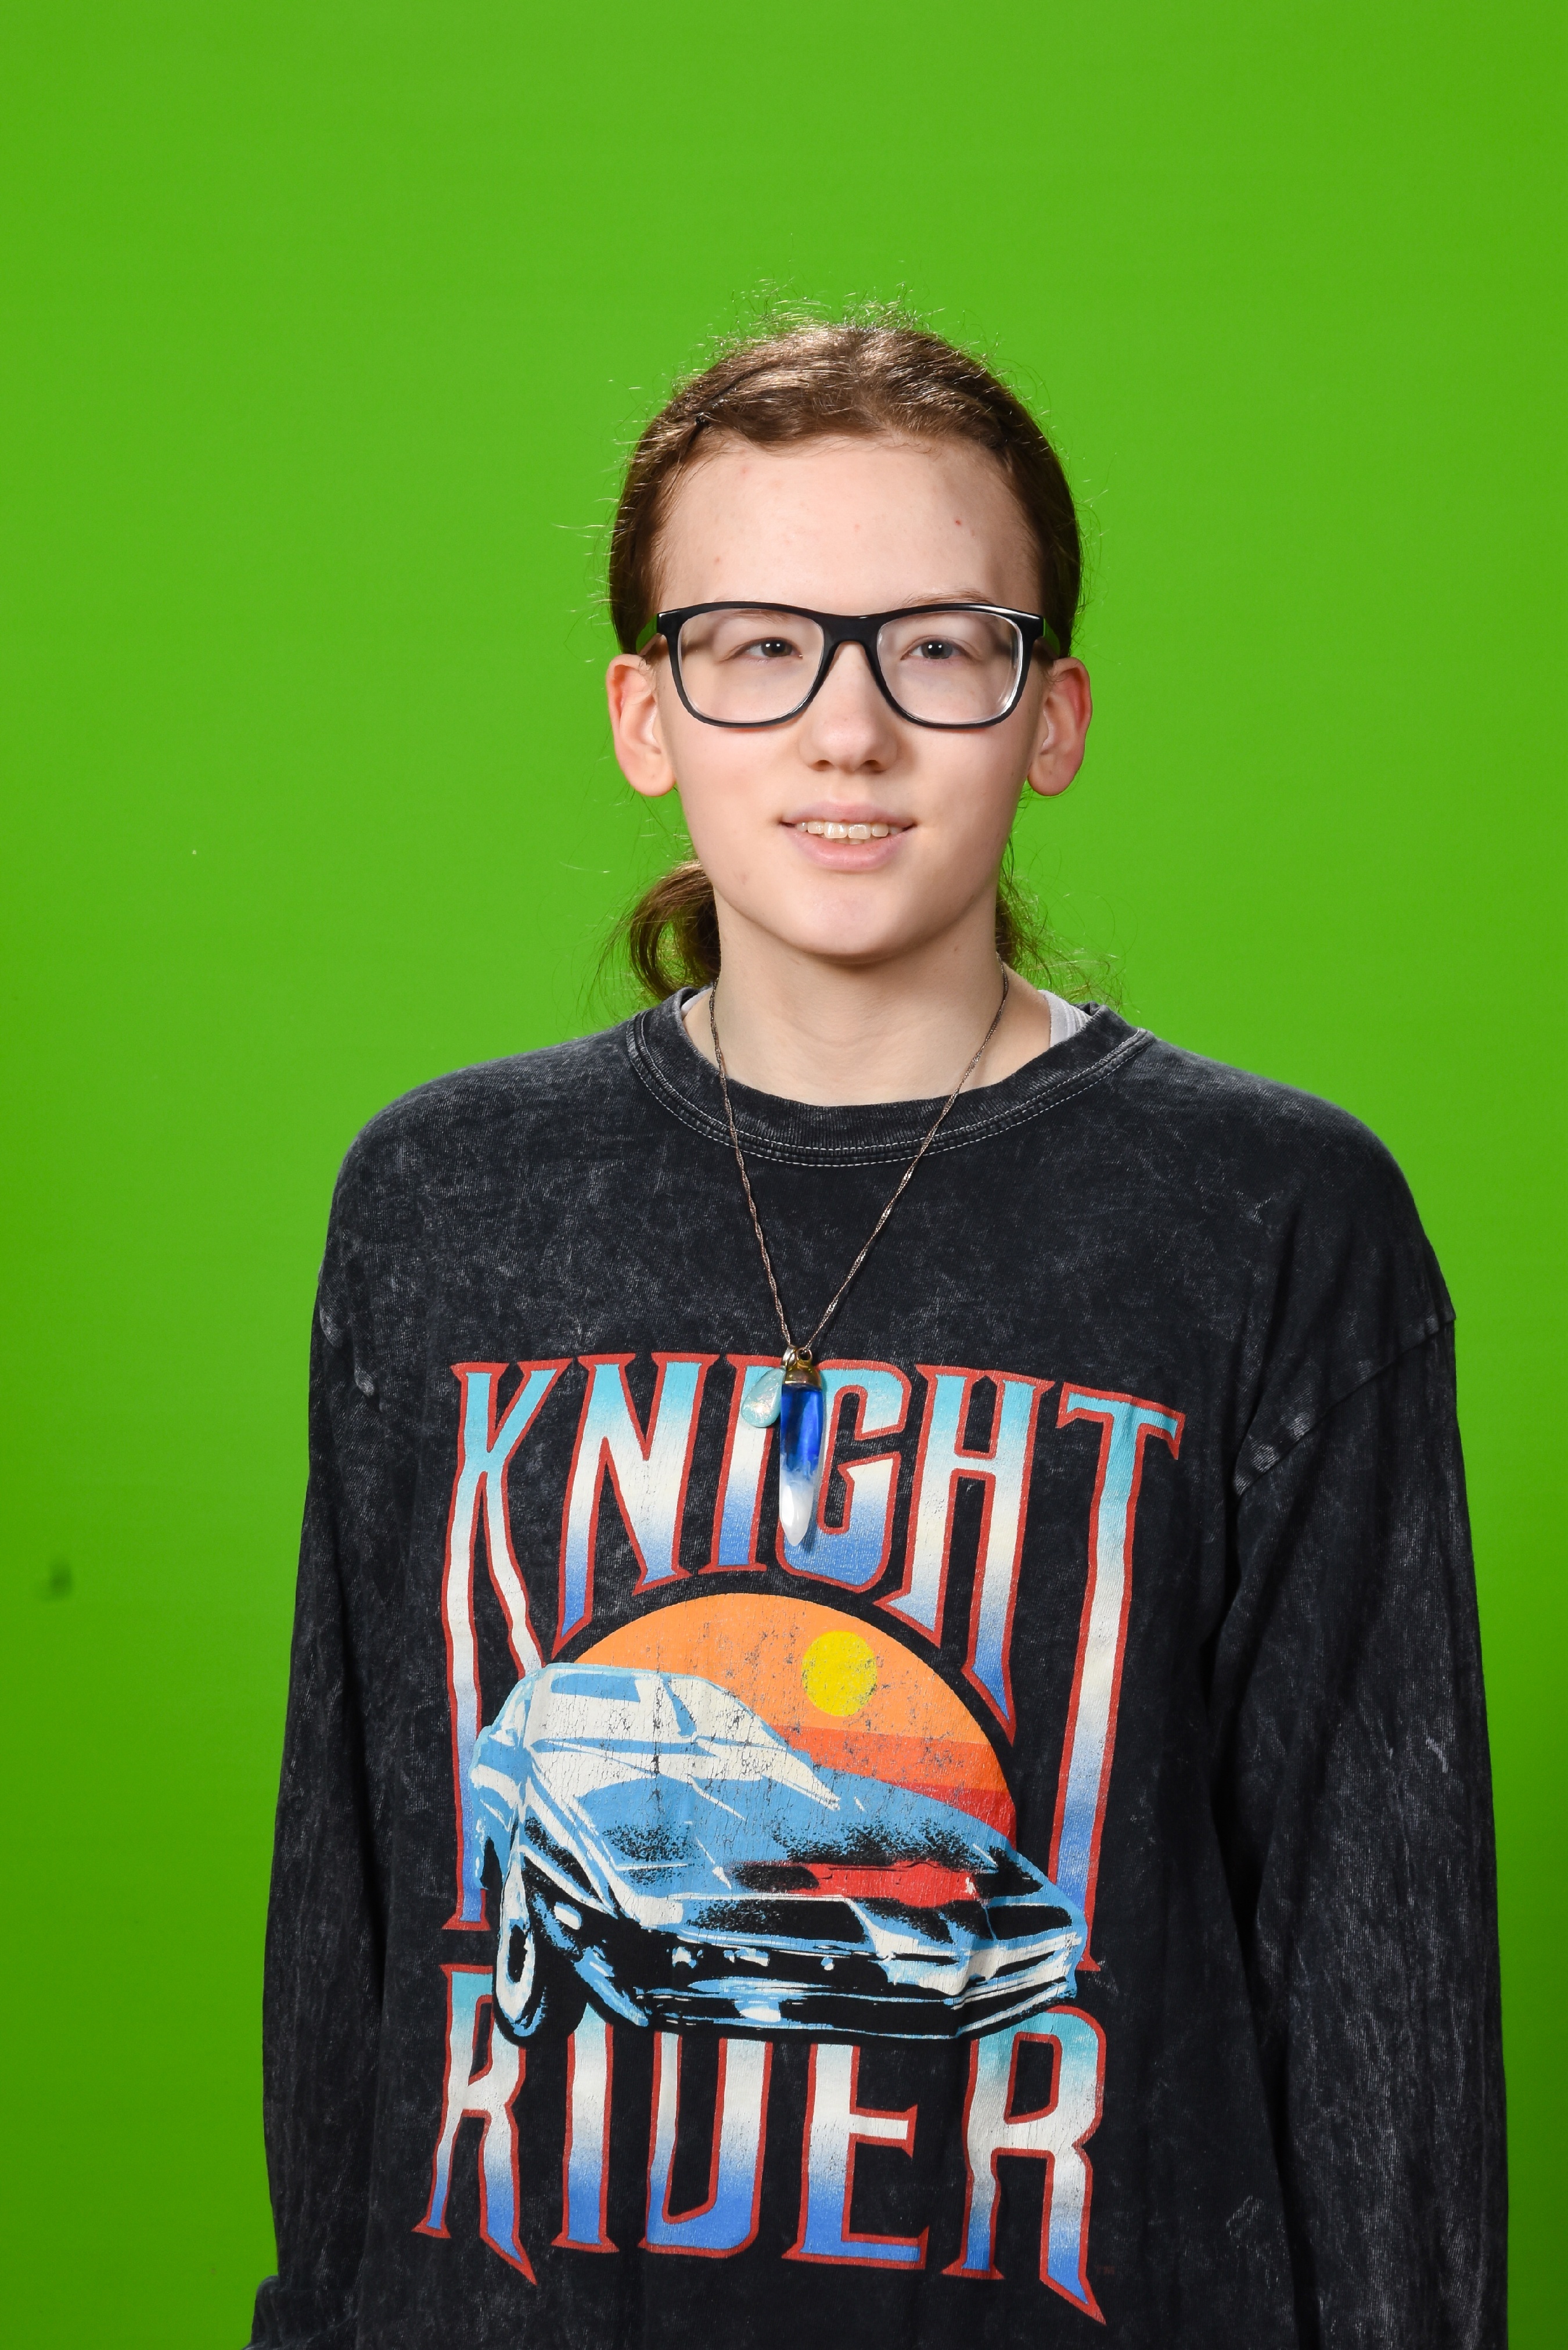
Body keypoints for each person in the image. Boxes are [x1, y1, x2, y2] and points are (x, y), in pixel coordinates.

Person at [249, 319, 1505, 2350]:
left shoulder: (1270, 1220)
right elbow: (358, 1916)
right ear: (645, 714)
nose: (848, 731)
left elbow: (1382, 1985)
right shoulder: (443, 1203)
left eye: (935, 646)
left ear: (1051, 714)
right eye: (757, 646)